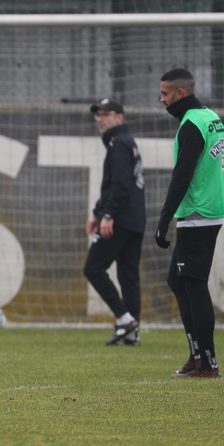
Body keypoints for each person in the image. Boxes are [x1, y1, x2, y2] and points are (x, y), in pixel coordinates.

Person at [156, 68, 224, 379]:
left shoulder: (191, 125)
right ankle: (197, 355)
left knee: (194, 283)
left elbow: (182, 176)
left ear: (179, 94)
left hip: (199, 212)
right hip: (209, 208)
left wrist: (163, 219)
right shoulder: (209, 116)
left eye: (164, 94)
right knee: (177, 280)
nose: (161, 100)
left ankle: (207, 362)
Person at [84, 98, 146, 346]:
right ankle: (131, 333)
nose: (100, 119)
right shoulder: (126, 142)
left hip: (120, 219)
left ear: (120, 117)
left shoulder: (119, 143)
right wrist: (98, 212)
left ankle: (124, 319)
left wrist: (107, 216)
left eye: (106, 114)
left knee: (93, 268)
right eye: (98, 114)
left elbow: (119, 186)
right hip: (135, 219)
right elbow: (116, 185)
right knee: (128, 276)